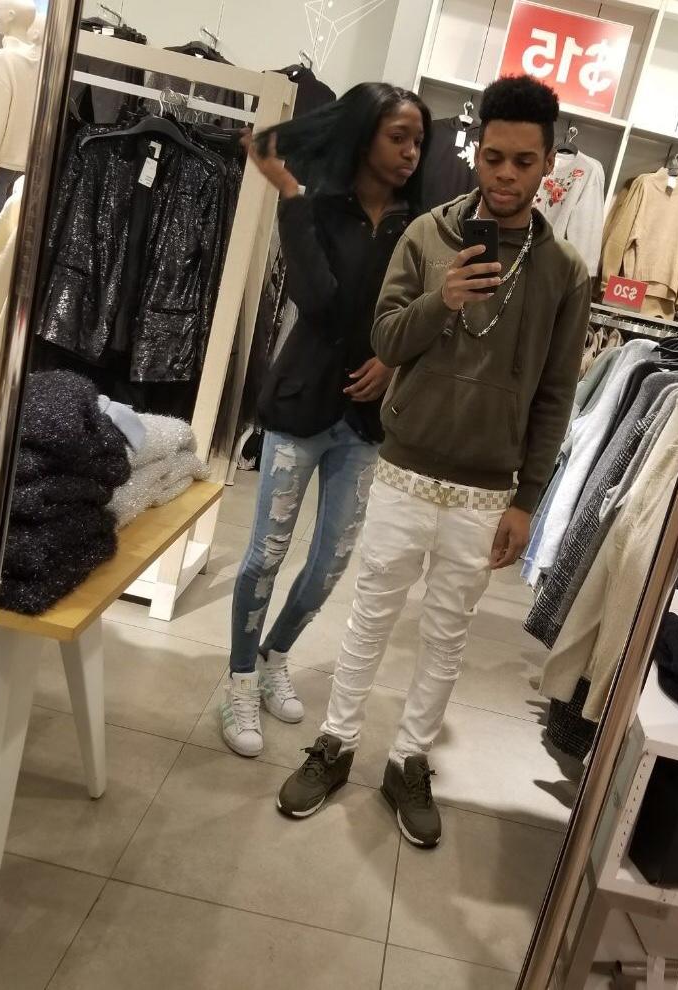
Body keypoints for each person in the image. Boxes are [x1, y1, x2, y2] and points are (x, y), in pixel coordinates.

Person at [277, 75, 591, 846]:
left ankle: (408, 759)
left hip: (486, 490)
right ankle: (336, 742)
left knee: (448, 634)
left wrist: (529, 498)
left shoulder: (564, 272)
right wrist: (442, 298)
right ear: (477, 152)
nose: (506, 175)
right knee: (371, 615)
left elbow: (555, 394)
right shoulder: (426, 237)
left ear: (548, 164)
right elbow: (386, 339)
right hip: (406, 467)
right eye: (494, 157)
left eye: (523, 161)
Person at [222, 83, 431, 758]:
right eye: (398, 137)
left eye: (418, 140)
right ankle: (240, 676)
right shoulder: (317, 204)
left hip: (365, 422)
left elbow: (425, 317)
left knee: (331, 564)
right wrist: (289, 195)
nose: (411, 151)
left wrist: (393, 363)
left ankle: (275, 654)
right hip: (301, 404)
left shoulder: (419, 225)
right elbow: (317, 301)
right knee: (265, 555)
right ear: (365, 136)